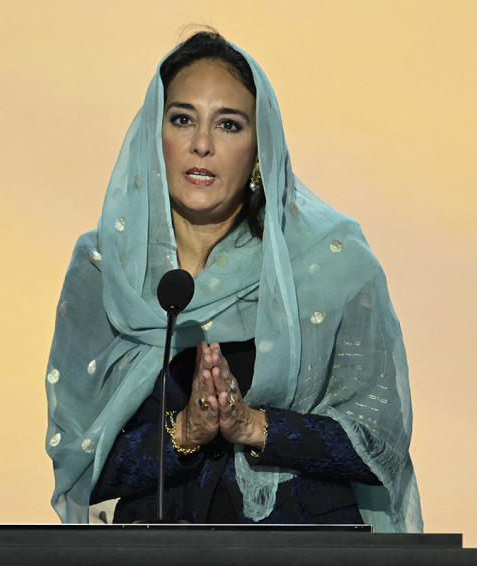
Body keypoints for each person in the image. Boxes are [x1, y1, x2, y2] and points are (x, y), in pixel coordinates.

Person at [45, 30, 422, 532]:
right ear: (153, 137)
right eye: (182, 119)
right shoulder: (104, 267)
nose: (202, 144)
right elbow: (82, 460)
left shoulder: (330, 263)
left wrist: (254, 425)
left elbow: (378, 443)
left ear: (261, 148)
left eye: (228, 124)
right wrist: (187, 429)